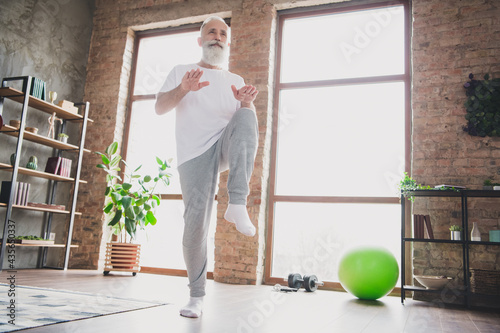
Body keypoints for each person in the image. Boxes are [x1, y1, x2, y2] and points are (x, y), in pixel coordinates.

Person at [155, 16, 259, 318]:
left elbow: (244, 129)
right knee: (195, 224)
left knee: (247, 116)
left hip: (224, 146)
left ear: (228, 42)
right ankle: (196, 295)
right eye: (211, 32)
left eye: (223, 33)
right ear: (200, 40)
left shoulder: (235, 80)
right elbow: (160, 108)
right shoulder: (181, 71)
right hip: (194, 154)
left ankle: (237, 202)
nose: (217, 36)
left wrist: (245, 102)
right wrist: (184, 89)